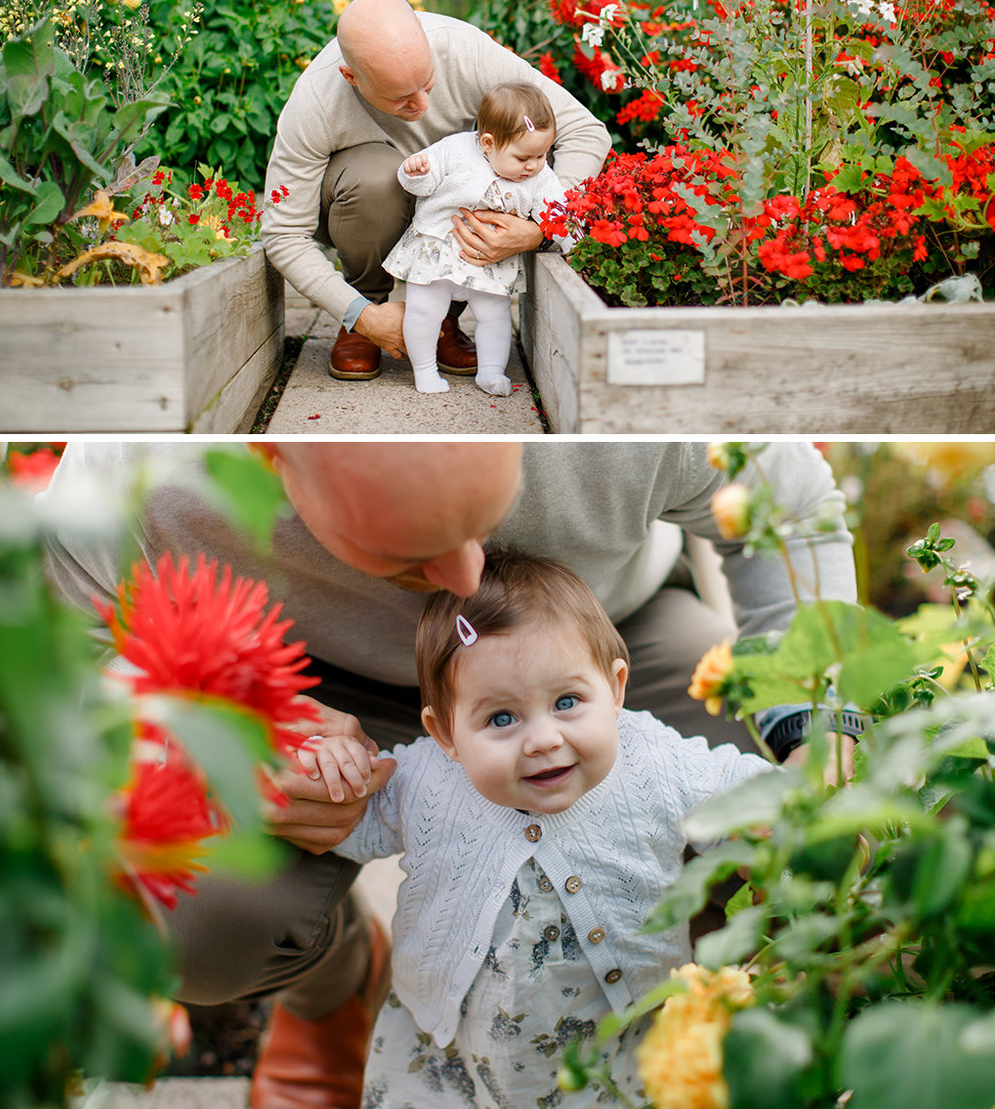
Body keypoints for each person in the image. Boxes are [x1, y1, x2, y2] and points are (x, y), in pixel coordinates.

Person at [42, 439, 857, 1109]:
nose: (467, 576)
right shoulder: (139, 464)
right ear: (271, 458)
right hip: (302, 678)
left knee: (792, 825)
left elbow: (791, 503)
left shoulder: (633, 421)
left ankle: (694, 1032)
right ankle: (336, 988)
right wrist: (213, 741)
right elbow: (59, 638)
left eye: (488, 518)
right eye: (411, 549)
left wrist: (816, 724)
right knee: (201, 917)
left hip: (600, 636)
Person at [300, 548, 769, 1107]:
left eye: (567, 701)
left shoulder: (655, 763)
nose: (543, 738)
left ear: (616, 689)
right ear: (445, 732)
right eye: (501, 718)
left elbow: (742, 788)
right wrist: (328, 767)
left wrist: (775, 819)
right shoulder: (423, 781)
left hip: (618, 1048)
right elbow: (345, 820)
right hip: (450, 1054)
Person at [259, 0, 611, 382]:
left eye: (427, 83)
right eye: (400, 97)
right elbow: (283, 232)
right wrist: (359, 312)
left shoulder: (464, 51)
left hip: (452, 207)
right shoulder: (316, 102)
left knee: (489, 170)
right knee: (377, 174)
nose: (423, 104)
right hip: (359, 205)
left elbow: (585, 130)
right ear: (351, 77)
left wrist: (544, 225)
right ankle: (368, 314)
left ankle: (444, 320)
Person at [385, 82, 572, 396]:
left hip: (490, 259)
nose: (534, 165)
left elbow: (558, 211)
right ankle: (425, 371)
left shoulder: (540, 175)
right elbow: (423, 182)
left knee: (495, 315)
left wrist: (575, 246)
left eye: (542, 155)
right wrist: (414, 173)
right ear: (487, 142)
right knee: (424, 311)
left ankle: (490, 371)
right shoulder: (455, 150)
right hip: (437, 249)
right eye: (524, 157)